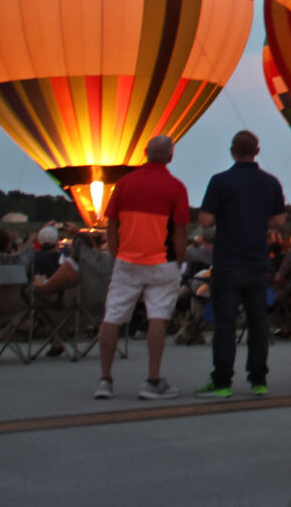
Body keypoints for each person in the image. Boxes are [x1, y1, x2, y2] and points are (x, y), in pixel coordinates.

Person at [193, 130, 287, 398]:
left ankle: (222, 382)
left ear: (232, 151)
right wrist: (258, 219)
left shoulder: (220, 182)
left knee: (225, 323)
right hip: (257, 262)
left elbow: (204, 221)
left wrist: (227, 215)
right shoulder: (270, 183)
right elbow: (280, 222)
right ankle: (259, 380)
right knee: (258, 323)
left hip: (227, 262)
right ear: (257, 151)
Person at [95, 135, 190, 401]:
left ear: (145, 152)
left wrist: (116, 253)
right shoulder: (176, 187)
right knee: (157, 317)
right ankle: (152, 380)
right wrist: (179, 260)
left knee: (112, 316)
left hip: (127, 261)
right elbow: (181, 231)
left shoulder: (124, 183)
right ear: (170, 156)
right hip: (162, 262)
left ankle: (105, 380)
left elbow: (111, 223)